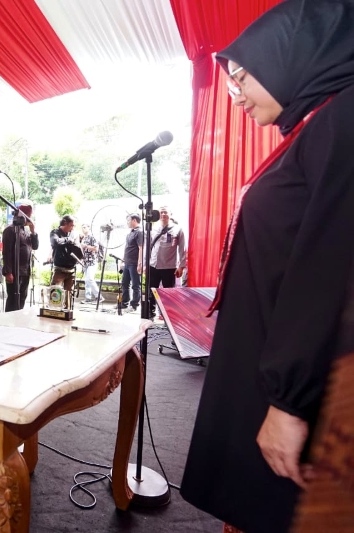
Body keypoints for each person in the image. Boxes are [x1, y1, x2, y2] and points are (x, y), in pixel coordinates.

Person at [181, 2, 354, 532]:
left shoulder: (342, 121)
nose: (235, 94)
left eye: (241, 77)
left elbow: (328, 274)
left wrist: (289, 402)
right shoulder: (319, 124)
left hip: (304, 387)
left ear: (289, 55)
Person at [147, 206, 185, 317]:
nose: (163, 214)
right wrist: (145, 264)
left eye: (165, 212)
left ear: (170, 214)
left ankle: (167, 314)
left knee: (168, 292)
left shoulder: (177, 229)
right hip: (153, 265)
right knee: (151, 290)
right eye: (161, 212)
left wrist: (181, 266)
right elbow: (148, 248)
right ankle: (150, 312)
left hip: (169, 266)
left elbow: (182, 249)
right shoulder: (153, 229)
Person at [2, 203, 38, 312]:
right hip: (14, 271)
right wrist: (8, 272)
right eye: (27, 216)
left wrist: (33, 232)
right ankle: (9, 320)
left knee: (22, 298)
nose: (29, 219)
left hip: (25, 270)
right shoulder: (10, 230)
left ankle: (19, 318)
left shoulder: (26, 230)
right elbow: (6, 252)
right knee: (13, 299)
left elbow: (35, 246)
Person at [49, 215, 83, 294]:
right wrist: (69, 239)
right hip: (59, 269)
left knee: (69, 295)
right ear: (65, 223)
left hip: (71, 269)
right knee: (55, 294)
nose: (72, 228)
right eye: (71, 225)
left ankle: (68, 302)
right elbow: (55, 242)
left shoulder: (73, 233)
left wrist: (78, 241)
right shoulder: (55, 232)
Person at [121, 214, 144, 311]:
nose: (127, 222)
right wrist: (122, 261)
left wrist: (140, 263)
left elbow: (141, 248)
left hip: (134, 263)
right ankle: (124, 303)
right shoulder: (130, 233)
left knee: (135, 285)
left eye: (128, 220)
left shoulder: (139, 232)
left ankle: (134, 305)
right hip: (127, 262)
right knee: (124, 283)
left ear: (134, 220)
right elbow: (127, 248)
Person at [78, 223, 101, 303]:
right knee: (87, 281)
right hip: (85, 262)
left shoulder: (92, 237)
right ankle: (88, 298)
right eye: (82, 227)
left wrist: (85, 246)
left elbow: (96, 249)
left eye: (85, 227)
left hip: (92, 261)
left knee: (90, 279)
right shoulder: (83, 238)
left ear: (89, 228)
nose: (83, 229)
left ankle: (99, 296)